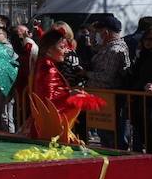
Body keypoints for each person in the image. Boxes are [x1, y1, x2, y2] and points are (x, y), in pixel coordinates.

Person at [29, 28, 102, 141]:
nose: (66, 50)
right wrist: (72, 95)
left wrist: (70, 93)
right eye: (62, 47)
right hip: (50, 130)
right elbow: (48, 101)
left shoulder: (46, 64)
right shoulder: (48, 68)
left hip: (47, 127)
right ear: (49, 49)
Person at [86, 16, 131, 147]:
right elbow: (95, 49)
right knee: (104, 135)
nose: (96, 35)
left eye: (98, 32)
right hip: (103, 98)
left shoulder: (115, 50)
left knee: (113, 137)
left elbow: (106, 77)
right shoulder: (107, 47)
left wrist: (86, 74)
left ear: (105, 32)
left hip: (111, 98)